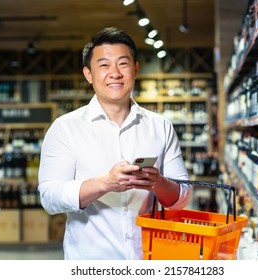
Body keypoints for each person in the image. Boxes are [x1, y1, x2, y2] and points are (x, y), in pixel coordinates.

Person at [38, 27, 191, 260]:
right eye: (104, 65)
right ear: (88, 74)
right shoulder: (65, 128)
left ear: (136, 69)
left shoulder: (160, 126)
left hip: (150, 258)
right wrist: (105, 183)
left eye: (123, 63)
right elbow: (50, 197)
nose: (115, 73)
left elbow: (182, 197)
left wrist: (158, 183)